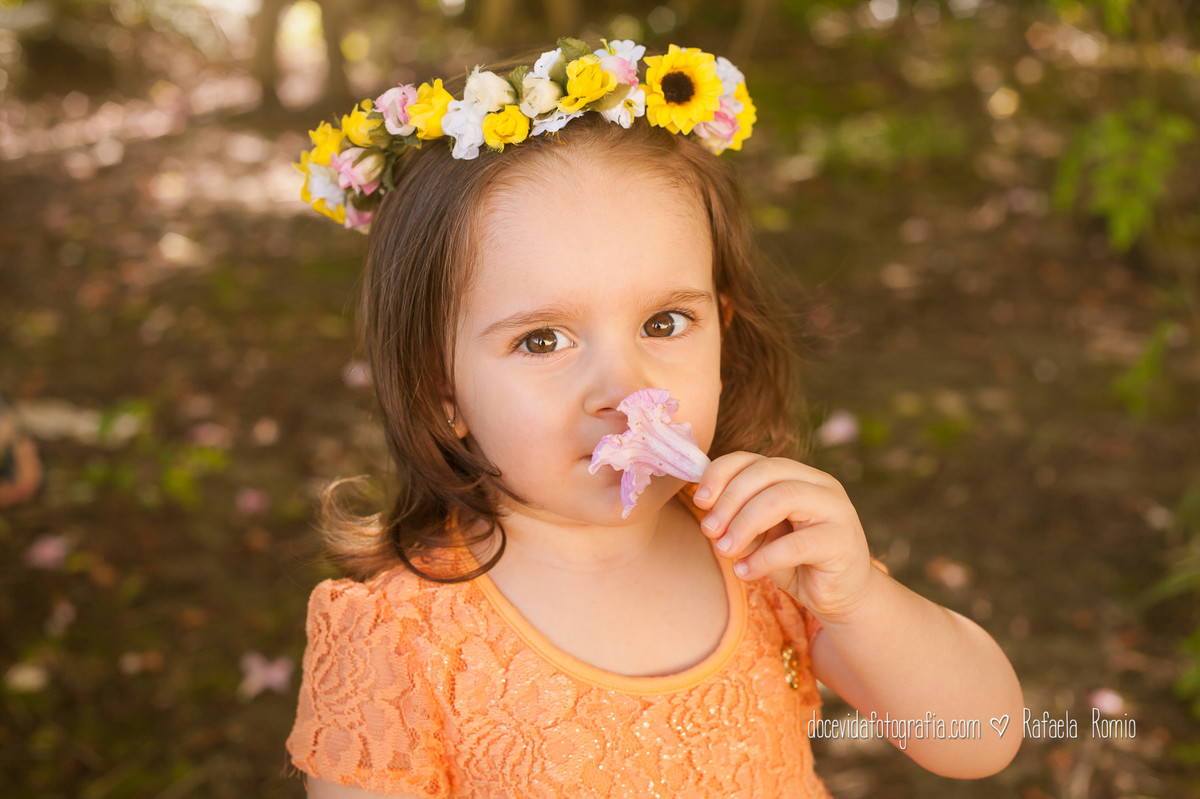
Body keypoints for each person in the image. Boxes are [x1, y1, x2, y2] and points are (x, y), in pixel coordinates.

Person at [286, 39, 1024, 797]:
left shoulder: (761, 556)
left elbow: (982, 738)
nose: (623, 383)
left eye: (665, 323)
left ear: (722, 331)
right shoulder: (398, 638)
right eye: (543, 339)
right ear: (441, 388)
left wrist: (861, 603)